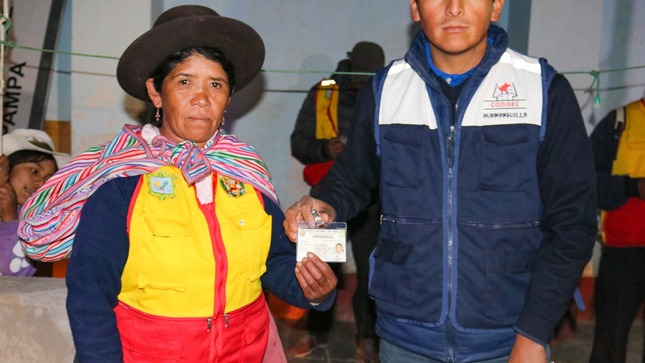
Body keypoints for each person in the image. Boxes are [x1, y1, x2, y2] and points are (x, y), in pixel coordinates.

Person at [17, 5, 337, 362]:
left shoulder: (243, 171)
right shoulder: (121, 182)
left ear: (228, 98)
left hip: (245, 351)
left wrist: (311, 289)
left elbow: (273, 260)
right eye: (185, 81)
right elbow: (90, 295)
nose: (201, 98)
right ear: (156, 92)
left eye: (215, 84)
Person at [284, 0, 598, 362]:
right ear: (415, 9)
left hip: (508, 338)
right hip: (405, 338)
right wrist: (321, 203)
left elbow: (574, 222)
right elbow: (350, 179)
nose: (453, 8)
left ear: (496, 7)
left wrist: (534, 332)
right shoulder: (387, 90)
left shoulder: (542, 90)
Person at [288, 41, 384, 361]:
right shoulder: (323, 93)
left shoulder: (386, 92)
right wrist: (325, 150)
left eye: (370, 77)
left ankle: (367, 335)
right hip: (328, 196)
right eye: (360, 76)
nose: (364, 83)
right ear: (349, 66)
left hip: (370, 201)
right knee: (319, 267)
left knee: (370, 271)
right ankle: (316, 332)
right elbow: (299, 143)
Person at [589, 97, 645, 363]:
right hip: (624, 255)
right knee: (609, 343)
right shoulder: (619, 122)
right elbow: (588, 181)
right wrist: (631, 187)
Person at [0, 129, 69, 276]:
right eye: (34, 170)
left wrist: (10, 219)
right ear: (6, 167)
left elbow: (15, 274)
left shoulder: (36, 223)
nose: (40, 183)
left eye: (48, 178)